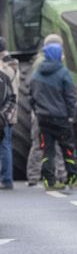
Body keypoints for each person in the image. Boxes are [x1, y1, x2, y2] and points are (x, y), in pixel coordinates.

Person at [30, 42, 77, 190]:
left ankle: (49, 181)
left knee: (47, 150)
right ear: (56, 55)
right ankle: (72, 178)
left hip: (43, 119)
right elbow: (70, 97)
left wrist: (38, 112)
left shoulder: (36, 74)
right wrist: (71, 116)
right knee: (67, 148)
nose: (62, 56)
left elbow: (31, 98)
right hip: (61, 119)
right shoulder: (63, 73)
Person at [26, 33, 67, 186]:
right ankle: (58, 174)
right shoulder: (51, 62)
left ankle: (34, 175)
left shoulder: (40, 62)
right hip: (48, 110)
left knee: (39, 143)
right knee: (51, 143)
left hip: (40, 110)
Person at [0, 36, 19, 190]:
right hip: (10, 111)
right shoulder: (13, 63)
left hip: (4, 112)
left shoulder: (5, 66)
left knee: (4, 144)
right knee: (6, 144)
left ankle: (6, 179)